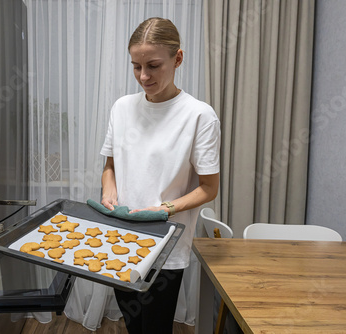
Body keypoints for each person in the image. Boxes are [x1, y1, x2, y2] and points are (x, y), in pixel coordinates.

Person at [99, 17, 221, 333]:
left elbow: (209, 188)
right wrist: (108, 191)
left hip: (166, 247)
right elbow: (110, 166)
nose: (143, 76)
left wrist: (164, 210)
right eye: (136, 66)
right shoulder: (122, 108)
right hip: (119, 240)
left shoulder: (199, 116)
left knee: (154, 328)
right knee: (133, 325)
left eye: (153, 65)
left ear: (177, 58)